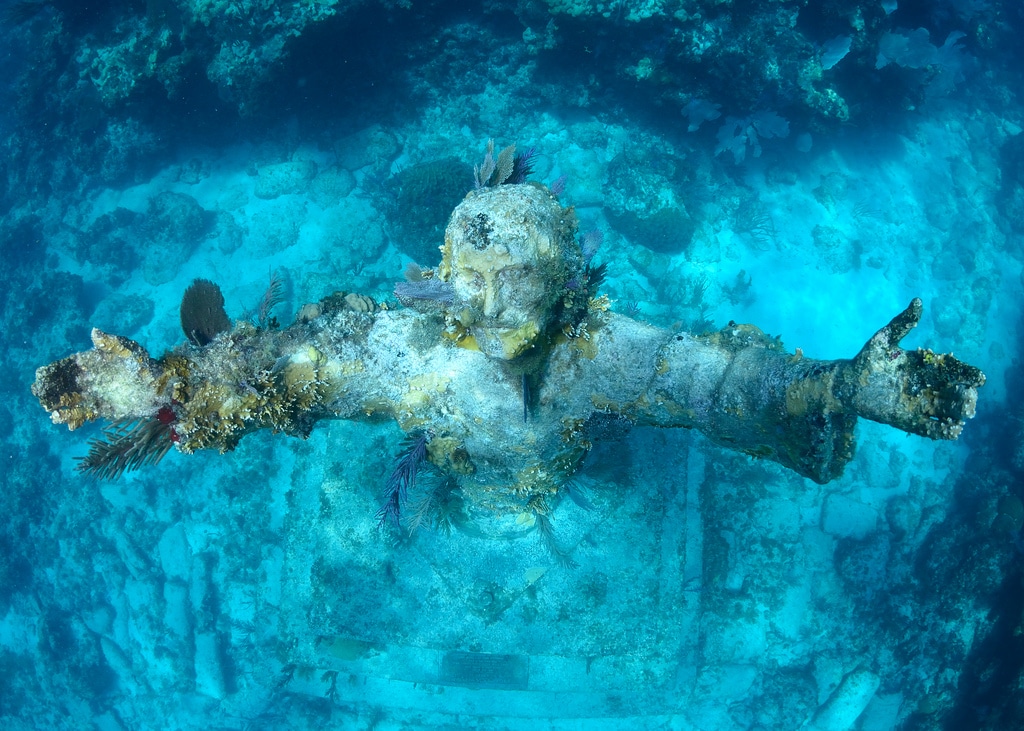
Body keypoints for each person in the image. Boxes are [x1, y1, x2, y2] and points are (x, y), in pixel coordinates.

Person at [32, 181, 985, 529]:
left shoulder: (608, 354)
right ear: (445, 264)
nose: (483, 296)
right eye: (468, 268)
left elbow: (722, 376)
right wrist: (164, 386)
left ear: (565, 280)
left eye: (512, 274)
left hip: (559, 463)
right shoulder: (406, 349)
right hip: (466, 471)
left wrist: (845, 386)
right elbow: (283, 367)